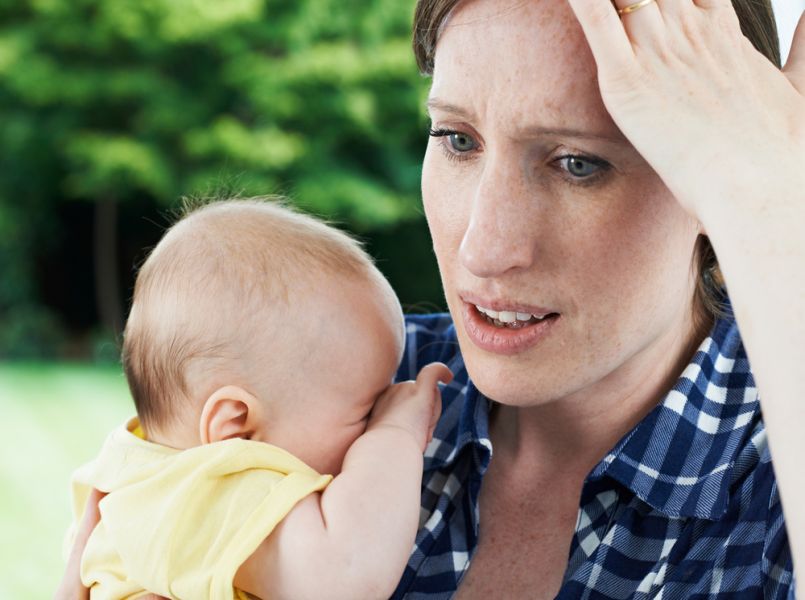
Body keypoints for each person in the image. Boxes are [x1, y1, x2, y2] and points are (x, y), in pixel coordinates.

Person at [58, 0, 805, 598]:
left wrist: (773, 196)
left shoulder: (771, 473)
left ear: (712, 180)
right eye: (455, 140)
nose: (483, 247)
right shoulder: (337, 376)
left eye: (577, 163)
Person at [64, 198, 452, 599]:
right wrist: (395, 432)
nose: (382, 413)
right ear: (237, 426)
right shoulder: (209, 491)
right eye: (368, 410)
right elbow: (349, 574)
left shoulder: (144, 476)